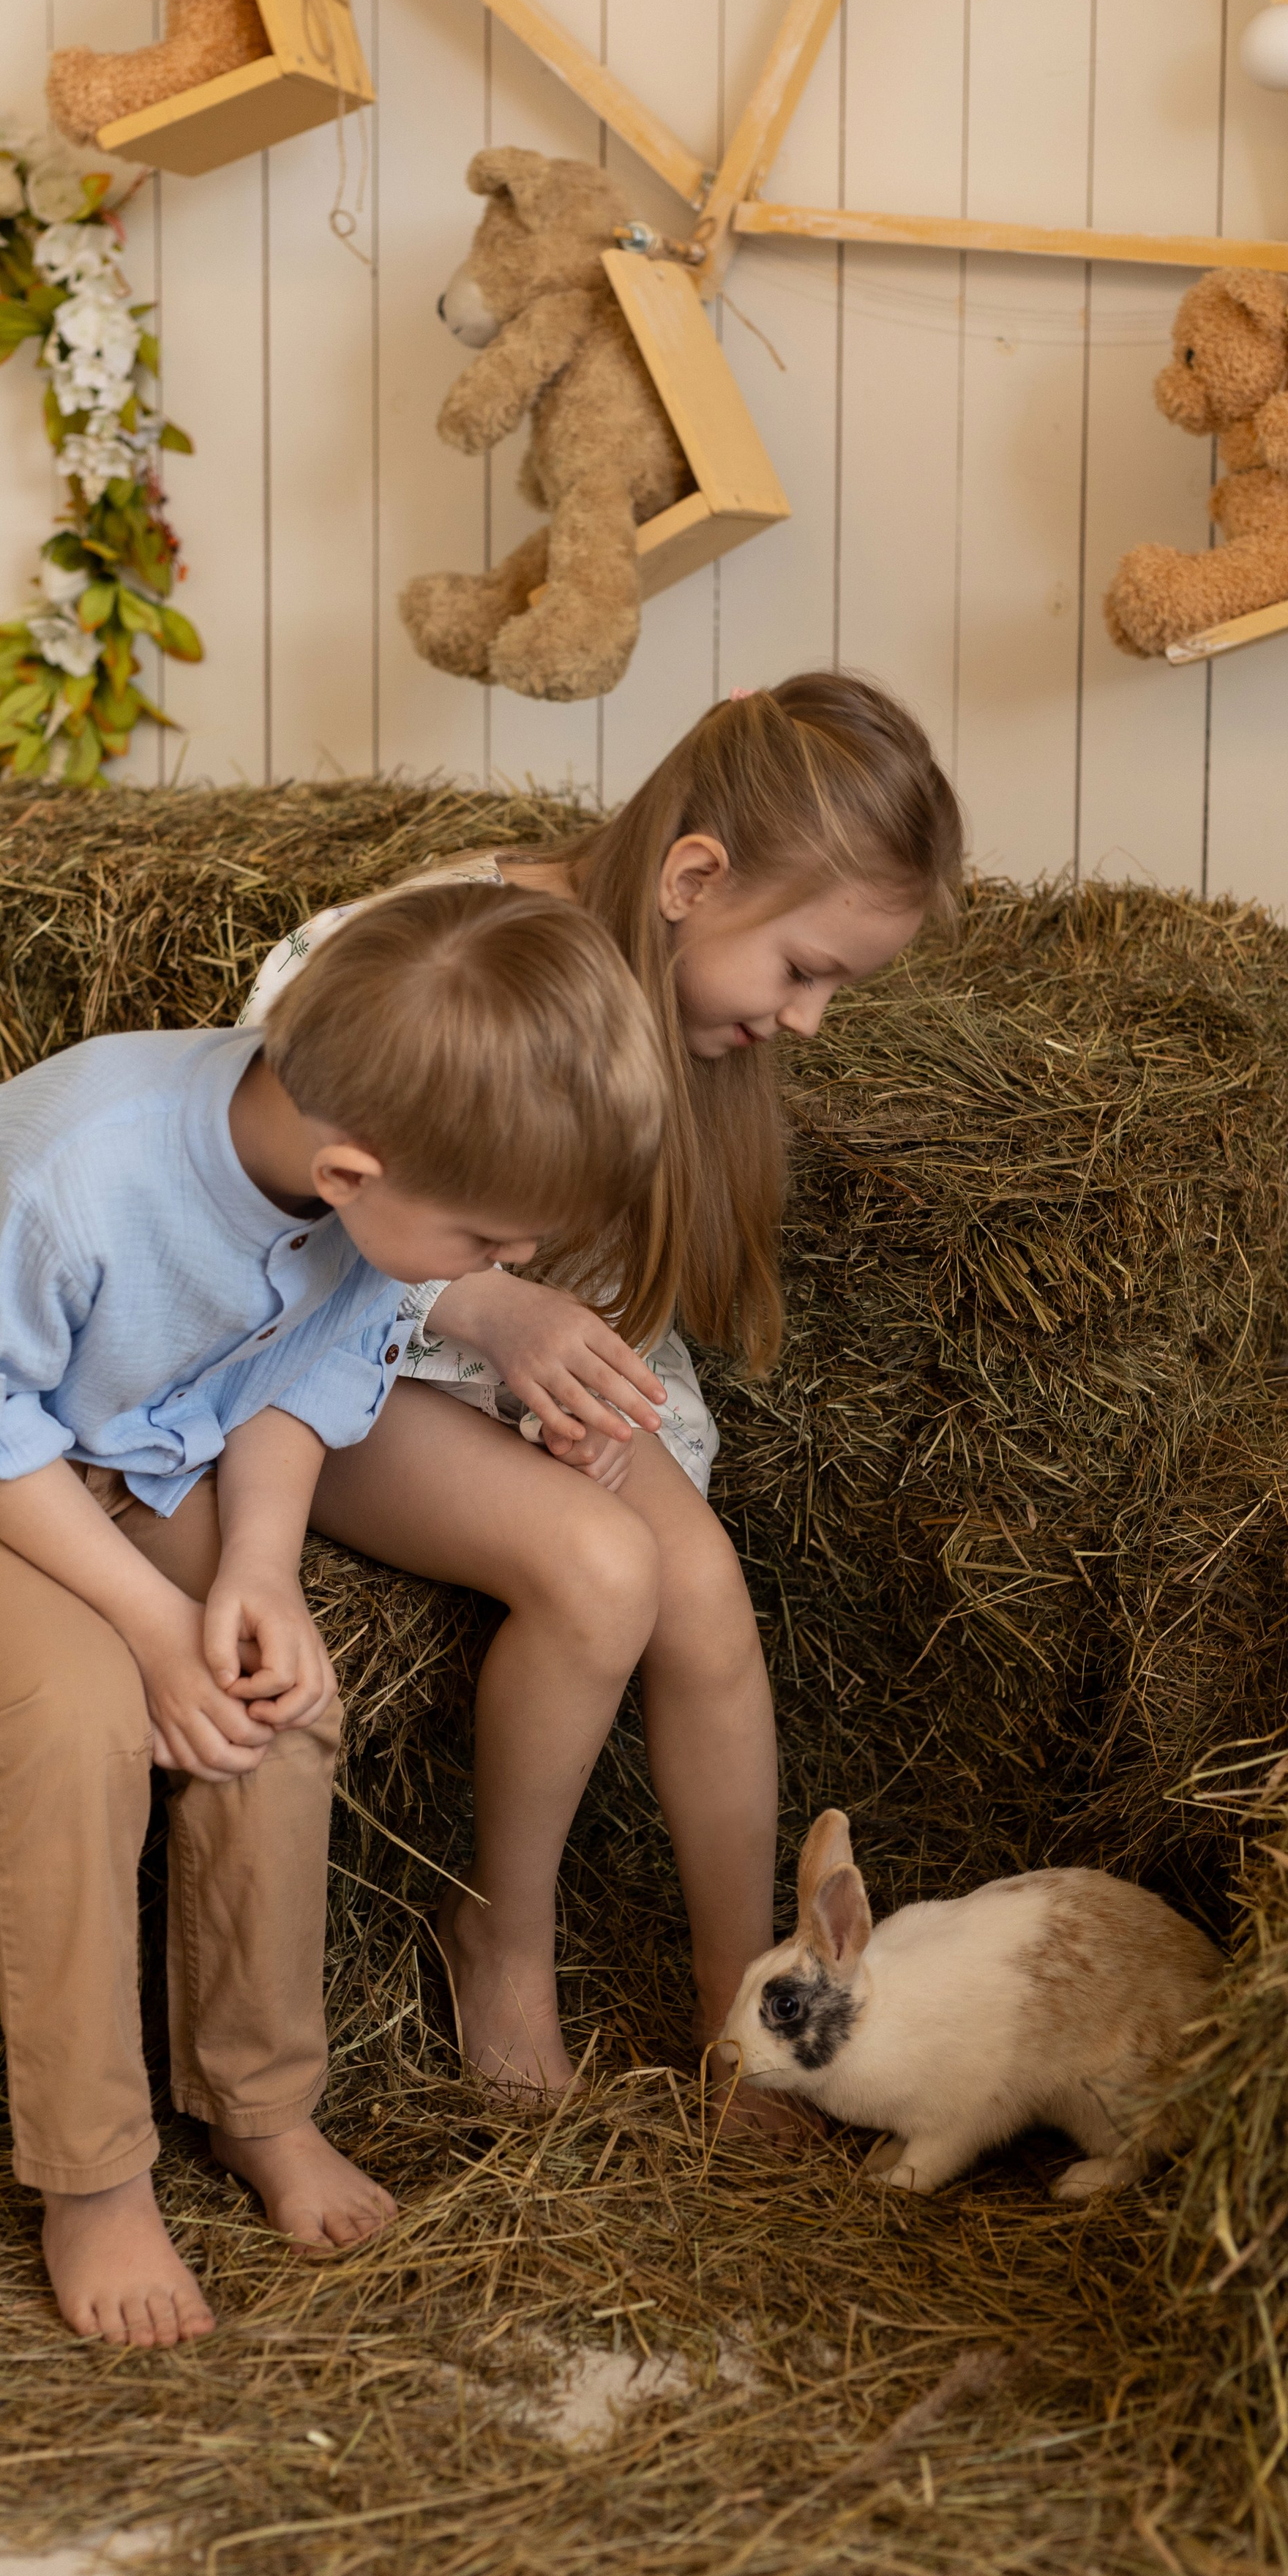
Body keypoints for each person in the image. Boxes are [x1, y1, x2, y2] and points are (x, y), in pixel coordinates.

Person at [0, 885, 667, 2349]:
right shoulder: (61, 1159)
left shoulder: (358, 1192)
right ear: (347, 1170)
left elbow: (293, 1388)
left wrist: (256, 1569)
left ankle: (259, 2106)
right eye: (480, 1243)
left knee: (277, 1694)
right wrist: (146, 1624)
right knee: (73, 1719)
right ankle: (92, 2176)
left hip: (153, 1453)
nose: (488, 1275)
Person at [243, 673, 965, 2114]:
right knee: (595, 1567)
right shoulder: (434, 952)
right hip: (346, 1353)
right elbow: (267, 1197)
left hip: (526, 1365)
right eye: (802, 970)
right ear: (695, 878)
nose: (811, 1021)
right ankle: (501, 1940)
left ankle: (742, 2002)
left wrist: (549, 1344)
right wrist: (486, 1303)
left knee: (701, 1596)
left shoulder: (692, 1013)